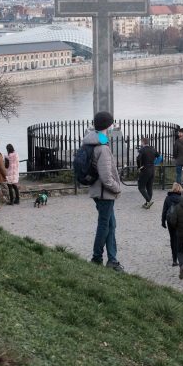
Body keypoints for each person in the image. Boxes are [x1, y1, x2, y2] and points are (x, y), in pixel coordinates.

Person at [83, 111, 124, 272]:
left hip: (97, 190)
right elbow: (106, 177)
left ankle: (112, 259)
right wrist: (117, 187)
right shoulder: (103, 148)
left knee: (111, 224)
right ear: (108, 125)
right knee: (104, 225)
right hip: (104, 193)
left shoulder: (93, 141)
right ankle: (97, 257)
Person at [161, 182, 183, 266]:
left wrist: (163, 222)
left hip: (170, 221)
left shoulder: (168, 198)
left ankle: (174, 259)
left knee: (173, 239)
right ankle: (179, 257)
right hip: (180, 222)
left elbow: (164, 211)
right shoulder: (182, 198)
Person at [136, 137, 158, 209]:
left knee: (141, 187)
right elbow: (160, 157)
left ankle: (148, 201)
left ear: (143, 142)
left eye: (141, 142)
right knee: (149, 187)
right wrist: (155, 163)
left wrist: (139, 167)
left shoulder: (142, 150)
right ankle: (147, 203)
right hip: (152, 169)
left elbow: (138, 158)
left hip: (145, 169)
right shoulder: (153, 149)